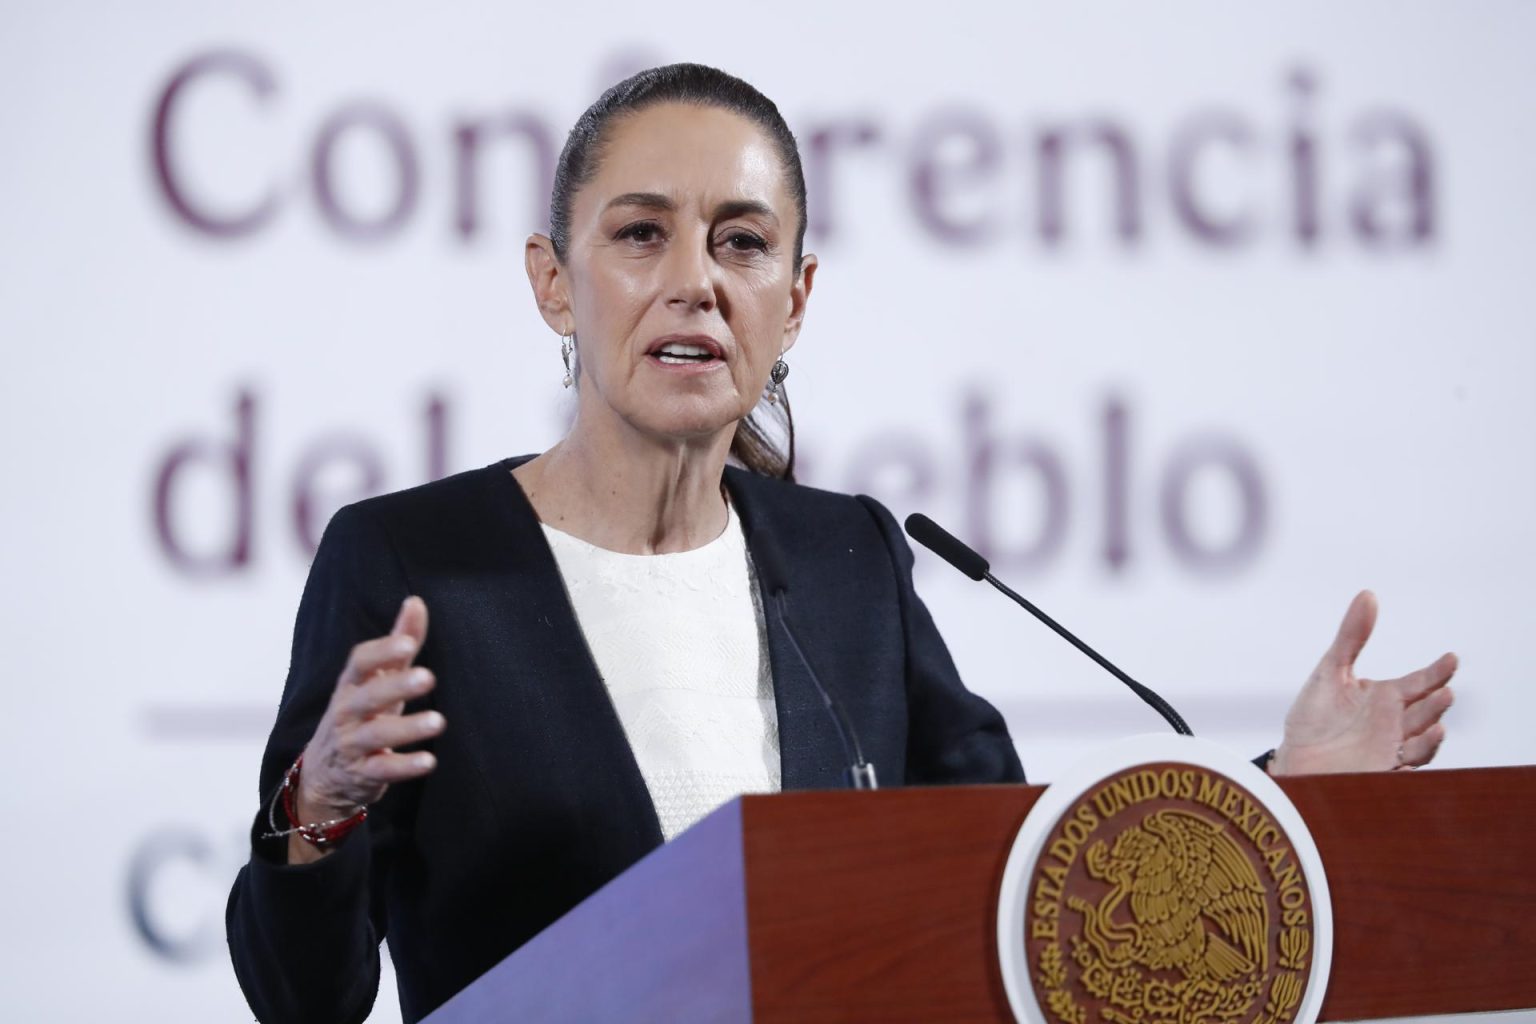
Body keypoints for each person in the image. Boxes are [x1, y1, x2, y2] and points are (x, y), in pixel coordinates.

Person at [225, 64, 1458, 1024]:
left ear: (796, 298)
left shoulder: (846, 561)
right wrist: (314, 813)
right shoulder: (413, 562)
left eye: (743, 241)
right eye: (641, 234)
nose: (696, 280)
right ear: (555, 282)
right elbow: (306, 1000)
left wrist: (1275, 797)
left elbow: (1025, 878)